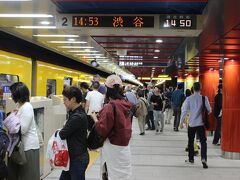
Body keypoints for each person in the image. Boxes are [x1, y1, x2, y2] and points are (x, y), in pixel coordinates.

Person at [90, 74, 132, 180]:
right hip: (124, 147)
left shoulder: (110, 107)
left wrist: (95, 119)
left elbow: (102, 129)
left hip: (112, 147)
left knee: (111, 174)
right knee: (122, 175)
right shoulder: (125, 103)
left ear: (107, 90)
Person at [8, 82, 40, 180]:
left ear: (18, 94)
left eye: (13, 93)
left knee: (28, 175)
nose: (11, 95)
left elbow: (22, 129)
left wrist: (11, 119)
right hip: (21, 147)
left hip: (28, 148)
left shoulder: (27, 107)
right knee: (21, 175)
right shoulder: (20, 106)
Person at [59, 86, 89, 180]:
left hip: (77, 159)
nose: (63, 102)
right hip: (73, 157)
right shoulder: (75, 113)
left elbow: (62, 134)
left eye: (65, 100)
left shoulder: (77, 117)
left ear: (73, 99)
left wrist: (64, 127)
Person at [180, 82, 211, 169]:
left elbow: (184, 111)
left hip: (192, 123)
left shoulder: (189, 99)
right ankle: (204, 159)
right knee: (203, 142)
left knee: (190, 141)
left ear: (193, 88)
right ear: (200, 88)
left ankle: (191, 159)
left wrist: (181, 122)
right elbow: (209, 110)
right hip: (201, 124)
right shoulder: (204, 98)